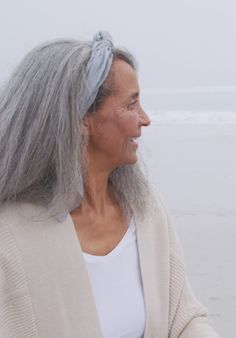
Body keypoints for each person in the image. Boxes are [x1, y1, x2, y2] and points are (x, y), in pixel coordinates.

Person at [0, 32, 220, 337]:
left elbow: (184, 319)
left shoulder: (145, 209)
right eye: (131, 105)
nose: (144, 119)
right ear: (80, 118)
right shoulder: (10, 233)